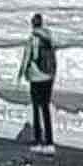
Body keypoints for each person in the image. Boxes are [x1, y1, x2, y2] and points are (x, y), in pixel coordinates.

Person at [19, 13, 58, 148]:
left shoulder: (32, 40)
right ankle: (49, 140)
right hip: (49, 77)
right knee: (46, 108)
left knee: (36, 108)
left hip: (36, 77)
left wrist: (22, 73)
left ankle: (37, 139)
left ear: (32, 24)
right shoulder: (49, 37)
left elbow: (27, 58)